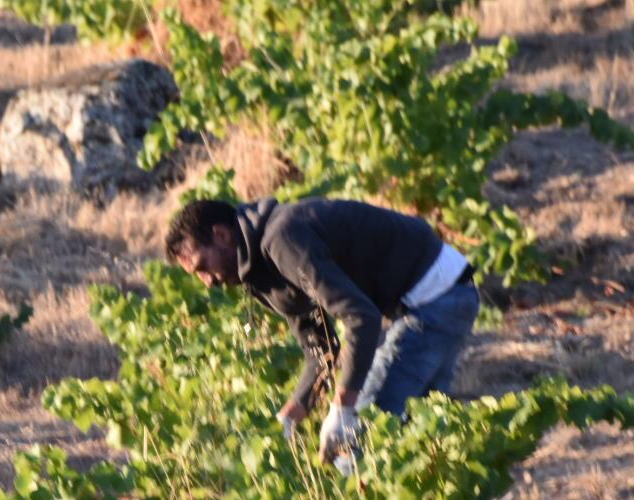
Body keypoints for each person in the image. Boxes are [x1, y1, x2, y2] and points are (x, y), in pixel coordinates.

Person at [165, 196, 479, 466]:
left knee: (360, 432)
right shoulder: (259, 270)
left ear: (221, 235)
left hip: (437, 298)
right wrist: (290, 416)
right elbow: (321, 351)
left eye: (202, 267)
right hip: (443, 294)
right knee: (416, 435)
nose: (208, 282)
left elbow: (361, 317)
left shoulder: (282, 239)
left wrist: (343, 407)